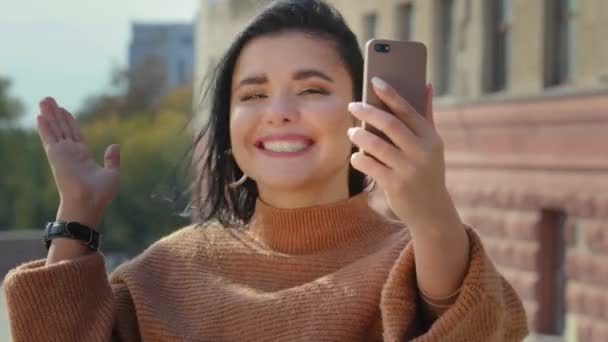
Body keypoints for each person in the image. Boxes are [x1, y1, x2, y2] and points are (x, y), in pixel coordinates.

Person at [3, 0, 528, 341]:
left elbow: (478, 325)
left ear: (366, 105)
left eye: (312, 89)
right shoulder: (161, 274)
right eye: (252, 94)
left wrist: (433, 213)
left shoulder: (414, 262)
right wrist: (77, 213)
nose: (277, 110)